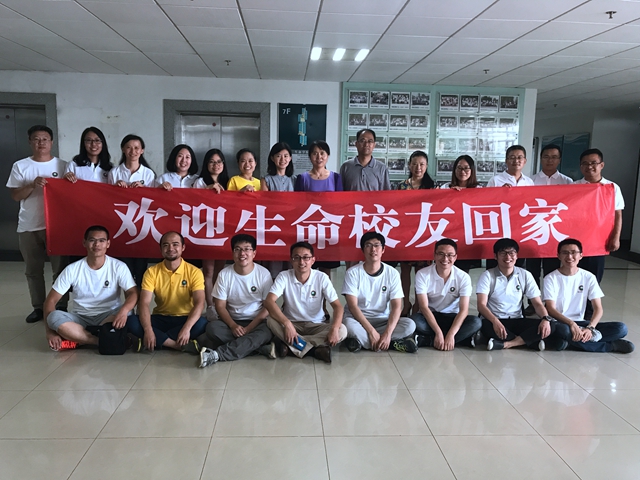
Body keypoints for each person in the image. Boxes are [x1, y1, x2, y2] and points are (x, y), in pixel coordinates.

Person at [6, 124, 68, 323]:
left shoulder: (63, 166)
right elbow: (15, 195)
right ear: (30, 142)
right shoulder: (20, 166)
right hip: (29, 225)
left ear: (51, 142)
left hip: (56, 227)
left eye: (45, 139)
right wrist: (32, 184)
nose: (41, 143)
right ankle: (38, 307)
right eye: (36, 139)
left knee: (60, 270)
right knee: (33, 270)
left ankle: (61, 305)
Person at [44, 226, 137, 350]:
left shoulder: (119, 266)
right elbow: (50, 301)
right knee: (53, 317)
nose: (97, 244)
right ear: (84, 243)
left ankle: (79, 337)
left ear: (108, 244)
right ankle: (98, 340)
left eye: (102, 240)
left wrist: (123, 311)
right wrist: (50, 332)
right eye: (92, 240)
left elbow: (133, 293)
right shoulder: (72, 269)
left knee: (129, 312)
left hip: (109, 315)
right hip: (80, 317)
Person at [543, 238, 634, 353]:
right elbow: (550, 309)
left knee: (621, 328)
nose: (569, 257)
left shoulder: (588, 277)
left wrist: (590, 328)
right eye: (565, 253)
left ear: (581, 255)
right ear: (558, 256)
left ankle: (568, 342)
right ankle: (609, 346)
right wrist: (571, 324)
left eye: (573, 253)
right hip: (561, 323)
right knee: (563, 331)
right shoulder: (550, 278)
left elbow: (598, 308)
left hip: (581, 322)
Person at [476, 238, 566, 351]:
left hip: (517, 319)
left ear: (517, 256)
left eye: (511, 253)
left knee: (551, 324)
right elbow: (481, 305)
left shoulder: (525, 275)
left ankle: (507, 344)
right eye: (503, 253)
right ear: (495, 256)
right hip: (494, 320)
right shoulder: (487, 275)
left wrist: (545, 318)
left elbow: (537, 303)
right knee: (483, 326)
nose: (508, 257)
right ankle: (528, 341)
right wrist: (495, 321)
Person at [198, 234, 275, 367]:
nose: (242, 253)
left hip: (257, 321)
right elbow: (220, 306)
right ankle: (258, 348)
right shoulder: (224, 274)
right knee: (212, 329)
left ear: (254, 253)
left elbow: (268, 307)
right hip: (231, 321)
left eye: (247, 249)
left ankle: (218, 354)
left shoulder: (263, 274)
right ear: (233, 253)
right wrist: (233, 326)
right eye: (237, 249)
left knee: (267, 331)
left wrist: (250, 328)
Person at [265, 241, 347, 364]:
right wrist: (287, 324)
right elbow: (269, 301)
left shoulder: (321, 277)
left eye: (306, 257)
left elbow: (338, 306)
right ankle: (314, 350)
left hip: (316, 324)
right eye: (296, 257)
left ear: (313, 260)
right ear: (291, 260)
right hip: (292, 324)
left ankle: (294, 346)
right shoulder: (284, 276)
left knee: (342, 330)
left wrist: (334, 328)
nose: (301, 262)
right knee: (270, 320)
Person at [128, 231, 207, 351]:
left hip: (184, 318)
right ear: (160, 249)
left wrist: (186, 328)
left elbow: (200, 303)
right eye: (166, 245)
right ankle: (176, 345)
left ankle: (156, 341)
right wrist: (148, 330)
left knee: (202, 323)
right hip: (160, 317)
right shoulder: (151, 272)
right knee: (132, 321)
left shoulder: (194, 272)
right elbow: (144, 303)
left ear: (183, 247)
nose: (170, 248)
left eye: (175, 244)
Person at [342, 232, 417, 353]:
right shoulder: (352, 273)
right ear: (362, 250)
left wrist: (387, 333)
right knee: (347, 325)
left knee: (410, 325)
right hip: (358, 320)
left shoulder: (392, 273)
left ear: (383, 250)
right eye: (368, 245)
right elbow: (353, 307)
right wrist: (371, 331)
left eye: (377, 245)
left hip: (382, 320)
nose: (373, 249)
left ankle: (364, 342)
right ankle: (390, 344)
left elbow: (397, 306)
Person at [294, 140, 343, 312]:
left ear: (328, 156)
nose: (319, 157)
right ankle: (305, 308)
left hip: (328, 230)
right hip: (308, 230)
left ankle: (322, 307)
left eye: (322, 153)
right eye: (315, 153)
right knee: (306, 268)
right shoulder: (302, 178)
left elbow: (341, 204)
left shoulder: (336, 178)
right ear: (310, 156)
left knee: (325, 271)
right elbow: (297, 205)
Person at [525, 143, 572, 313]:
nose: (550, 160)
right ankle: (533, 304)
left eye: (554, 157)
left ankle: (550, 303)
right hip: (535, 232)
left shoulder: (567, 182)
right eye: (546, 157)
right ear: (540, 159)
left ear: (559, 160)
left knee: (551, 270)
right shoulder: (530, 181)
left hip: (555, 233)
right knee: (532, 270)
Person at [412, 239, 482, 350]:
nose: (445, 259)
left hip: (452, 317)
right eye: (441, 254)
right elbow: (423, 307)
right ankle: (460, 340)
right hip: (431, 316)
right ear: (434, 255)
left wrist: (451, 334)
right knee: (414, 320)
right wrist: (438, 332)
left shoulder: (463, 277)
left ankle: (428, 340)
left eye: (450, 255)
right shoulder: (422, 274)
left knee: (476, 322)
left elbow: (464, 310)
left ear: (455, 257)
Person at [107, 134, 155, 288]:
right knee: (124, 268)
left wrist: (144, 189)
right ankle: (128, 301)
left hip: (141, 226)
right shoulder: (114, 172)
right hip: (120, 224)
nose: (133, 151)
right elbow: (106, 199)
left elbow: (154, 201)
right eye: (129, 147)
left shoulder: (148, 174)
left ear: (142, 151)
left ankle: (140, 301)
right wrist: (115, 189)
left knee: (141, 269)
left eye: (136, 148)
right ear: (123, 149)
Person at [574, 148, 623, 284]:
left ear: (602, 165)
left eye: (593, 163)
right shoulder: (573, 186)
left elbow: (617, 214)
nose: (589, 166)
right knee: (574, 275)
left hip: (599, 239)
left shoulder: (612, 187)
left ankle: (592, 299)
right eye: (585, 163)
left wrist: (616, 237)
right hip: (577, 238)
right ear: (580, 167)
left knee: (594, 277)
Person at [193, 149, 229, 320]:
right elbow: (192, 200)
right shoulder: (199, 182)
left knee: (219, 271)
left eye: (219, 161)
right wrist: (206, 190)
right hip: (205, 229)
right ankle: (210, 306)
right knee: (208, 270)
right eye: (212, 162)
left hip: (224, 230)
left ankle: (218, 302)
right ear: (206, 164)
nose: (216, 165)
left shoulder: (229, 182)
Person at [397, 150, 434, 315]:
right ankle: (405, 303)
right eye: (414, 164)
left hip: (425, 234)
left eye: (422, 164)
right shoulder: (402, 186)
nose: (418, 167)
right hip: (406, 234)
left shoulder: (433, 187)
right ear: (409, 165)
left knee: (422, 273)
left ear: (426, 166)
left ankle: (419, 304)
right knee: (405, 271)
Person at [439, 155, 482, 272]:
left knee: (464, 270)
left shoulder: (479, 189)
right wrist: (451, 194)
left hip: (468, 235)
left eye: (466, 168)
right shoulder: (445, 187)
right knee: (446, 266)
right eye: (459, 168)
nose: (463, 171)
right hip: (449, 233)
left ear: (472, 170)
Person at [260, 142, 296, 279]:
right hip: (273, 225)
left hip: (290, 225)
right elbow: (265, 203)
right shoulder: (266, 180)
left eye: (286, 156)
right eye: (279, 156)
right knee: (273, 262)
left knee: (290, 261)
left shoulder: (295, 180)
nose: (282, 159)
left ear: (290, 158)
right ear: (272, 158)